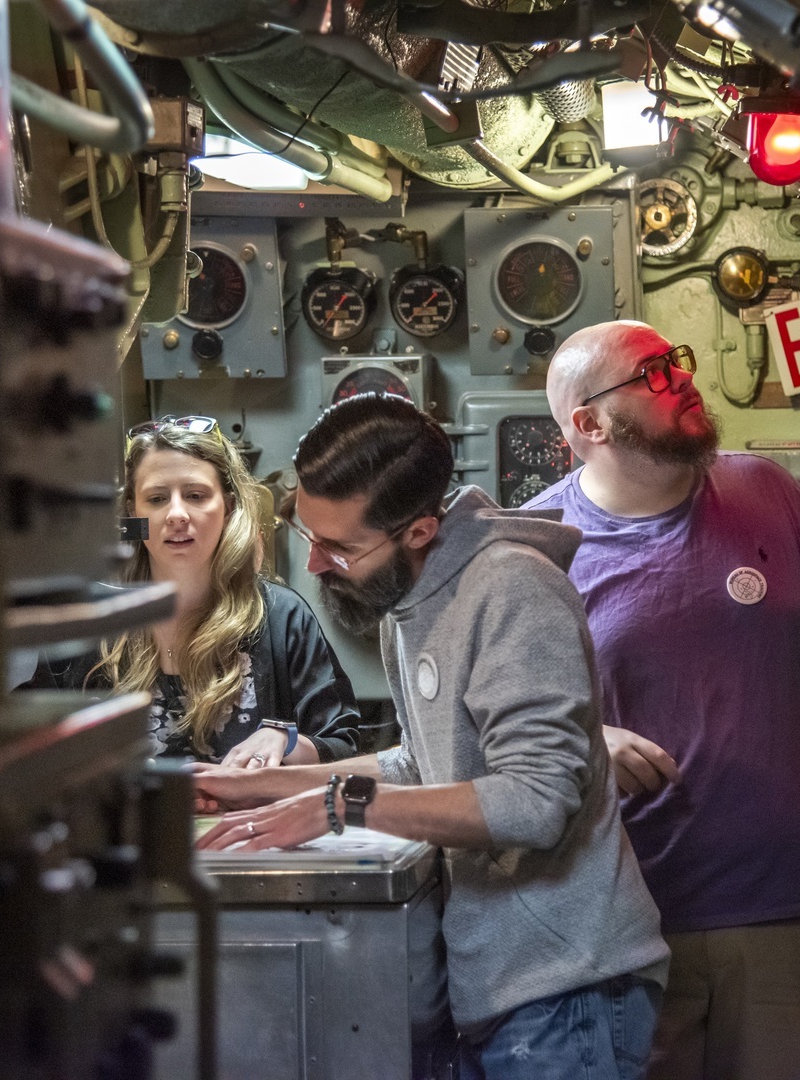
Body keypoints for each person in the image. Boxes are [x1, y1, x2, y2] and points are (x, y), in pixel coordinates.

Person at [192, 393, 670, 1080]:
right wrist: (259, 785)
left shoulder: (512, 590)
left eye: (340, 548)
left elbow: (535, 801)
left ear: (419, 531)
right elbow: (425, 761)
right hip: (501, 983)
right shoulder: (410, 599)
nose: (317, 563)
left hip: (569, 987)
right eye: (308, 533)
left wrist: (340, 806)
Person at [525, 321, 800, 1080]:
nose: (681, 377)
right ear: (589, 423)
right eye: (650, 374)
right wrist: (584, 737)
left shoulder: (766, 491)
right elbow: (497, 721)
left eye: (675, 360)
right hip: (622, 915)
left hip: (787, 902)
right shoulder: (538, 547)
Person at [22, 415, 363, 768]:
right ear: (133, 513)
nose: (177, 514)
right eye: (157, 498)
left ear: (228, 507)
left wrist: (285, 741)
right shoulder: (88, 621)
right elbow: (28, 748)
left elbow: (341, 745)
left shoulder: (281, 616)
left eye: (195, 496)